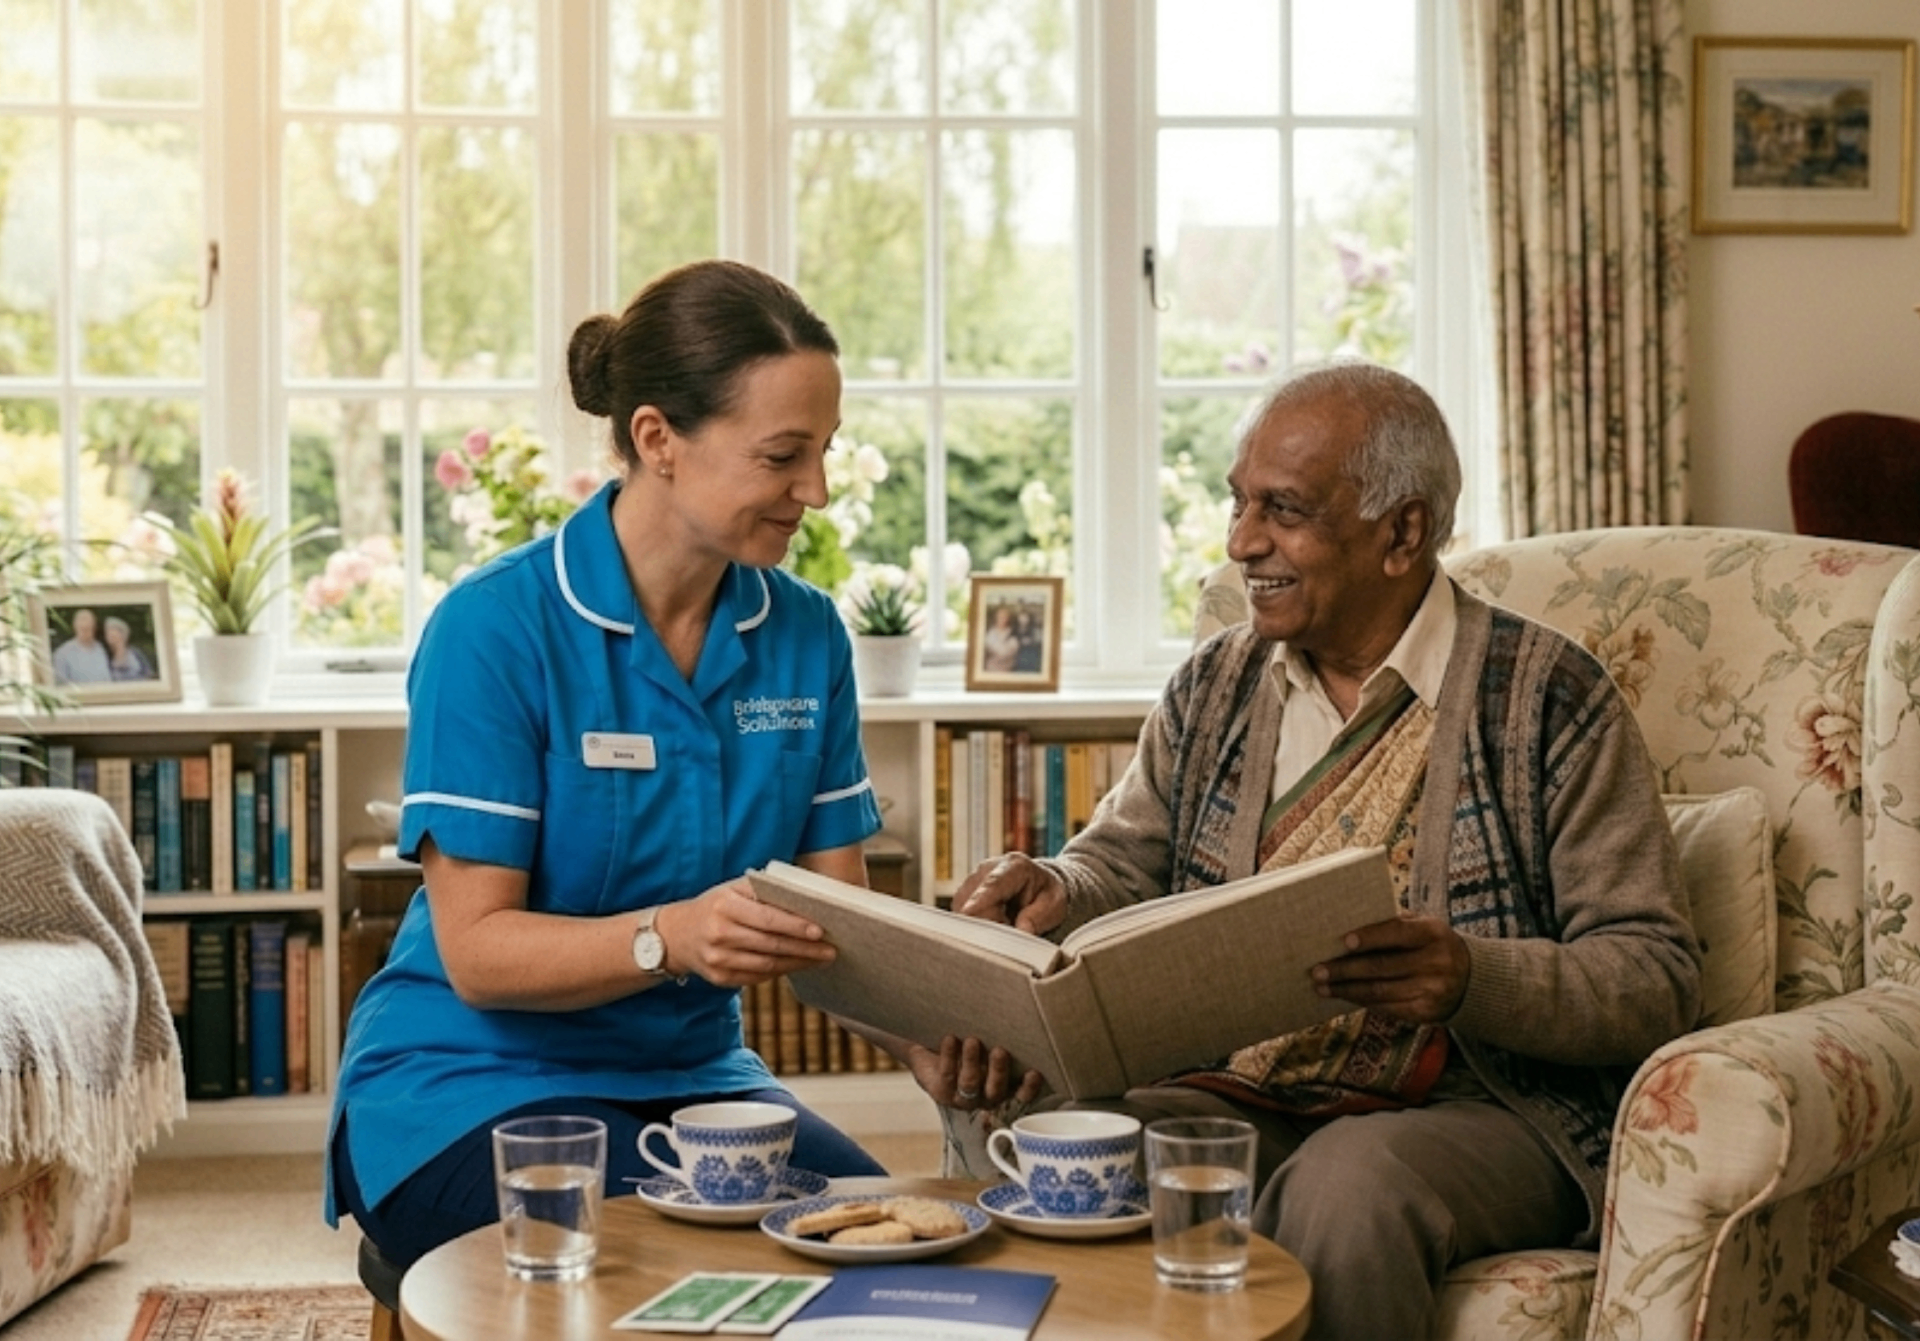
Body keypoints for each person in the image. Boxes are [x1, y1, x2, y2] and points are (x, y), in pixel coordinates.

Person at [915, 361, 1702, 1340]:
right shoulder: (1213, 686)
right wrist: (1052, 889)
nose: (1243, 542)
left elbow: (1655, 976)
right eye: (1240, 503)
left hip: (1479, 1106)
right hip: (1238, 1088)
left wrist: (1469, 977)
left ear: (1402, 532)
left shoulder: (1549, 698)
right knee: (1064, 1147)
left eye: (1282, 509)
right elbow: (1120, 866)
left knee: (1349, 1187)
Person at [325, 259, 890, 1270]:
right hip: (468, 1084)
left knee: (884, 1242)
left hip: (700, 1083)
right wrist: (671, 937)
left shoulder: (806, 637)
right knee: (697, 1269)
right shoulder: (495, 628)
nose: (815, 489)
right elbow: (479, 953)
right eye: (782, 456)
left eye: (825, 452)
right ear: (656, 439)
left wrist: (957, 1024)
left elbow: (841, 929)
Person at [50, 608, 111, 684]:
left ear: (94, 628)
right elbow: (61, 685)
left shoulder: (100, 648)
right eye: (82, 629)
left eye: (88, 628)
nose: (85, 632)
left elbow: (107, 679)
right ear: (75, 627)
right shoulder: (62, 653)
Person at [103, 615, 156, 681]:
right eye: (107, 633)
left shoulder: (135, 653)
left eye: (112, 632)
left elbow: (150, 674)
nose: (109, 635)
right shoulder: (108, 658)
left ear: (122, 634)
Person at [980, 603, 1020, 672]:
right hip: (990, 669)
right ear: (995, 617)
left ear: (1008, 618)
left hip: (1007, 670)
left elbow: (1005, 653)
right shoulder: (990, 633)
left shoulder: (1013, 633)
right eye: (1000, 616)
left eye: (1005, 616)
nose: (1002, 619)